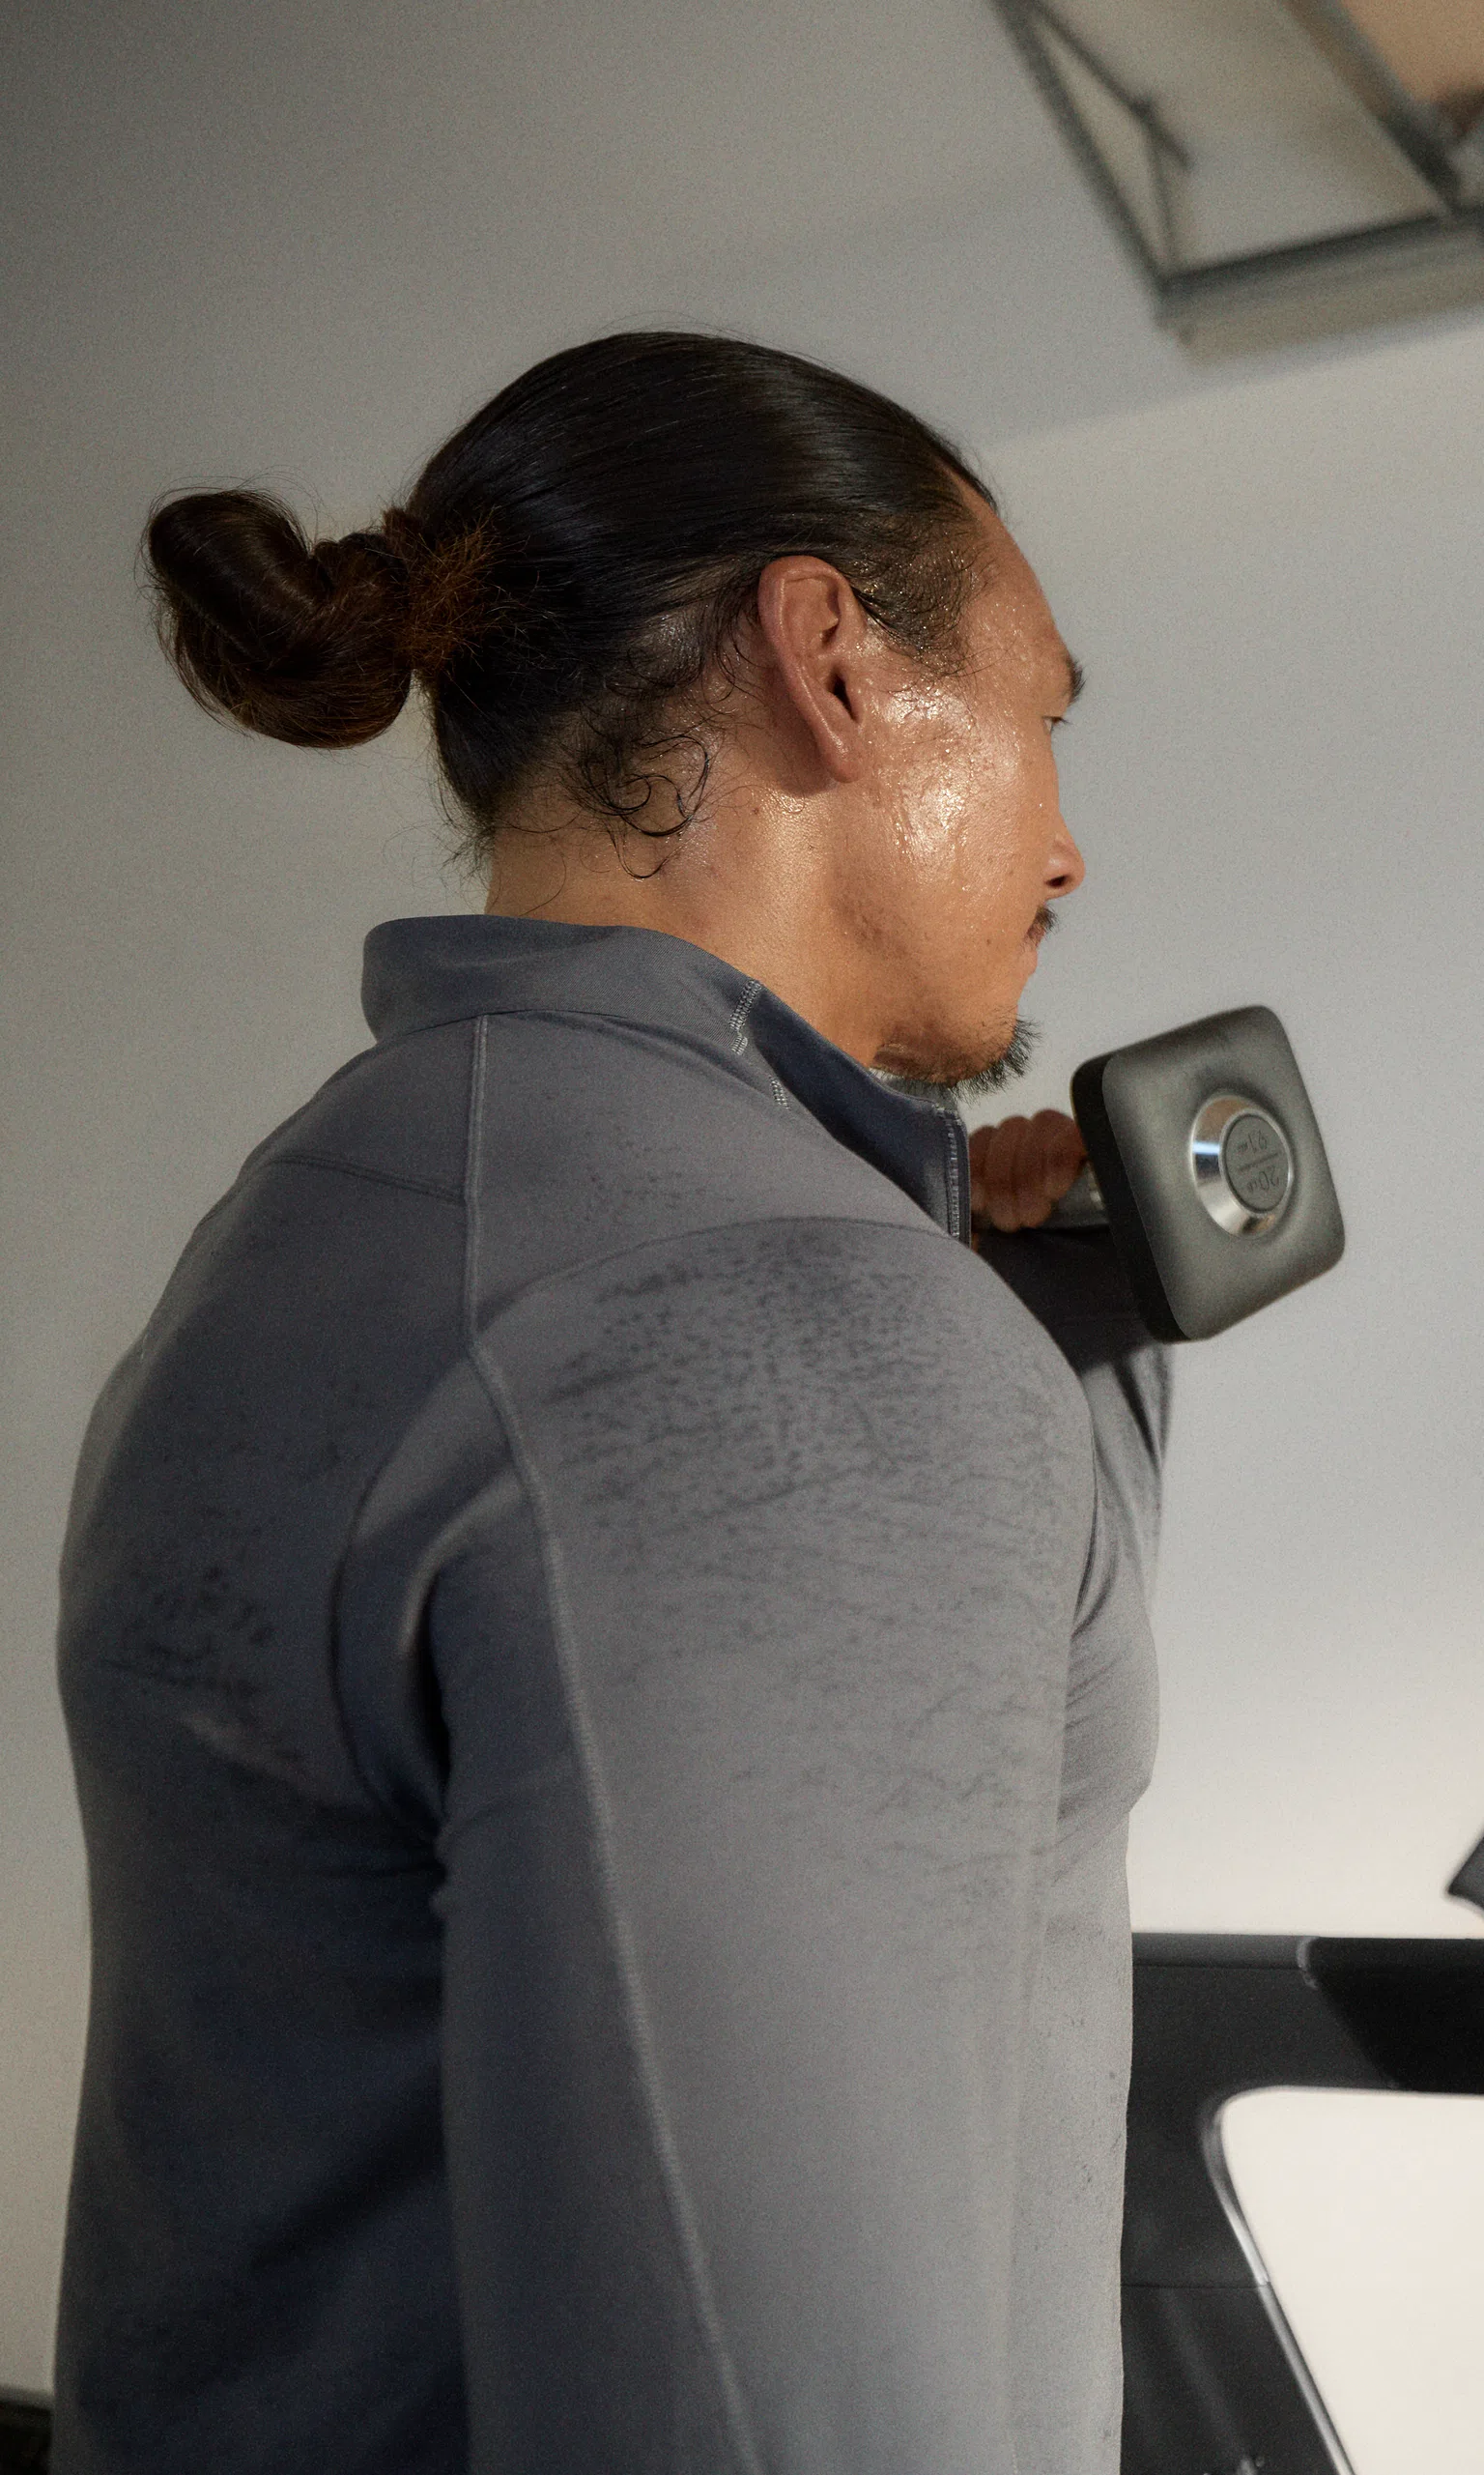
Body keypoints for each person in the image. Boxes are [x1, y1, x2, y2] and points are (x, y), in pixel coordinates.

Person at [56, 333, 1158, 2472]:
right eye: (1039, 716)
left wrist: (1026, 1356)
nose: (1067, 843)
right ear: (829, 657)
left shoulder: (308, 1232)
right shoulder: (783, 1321)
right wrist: (918, 1353)